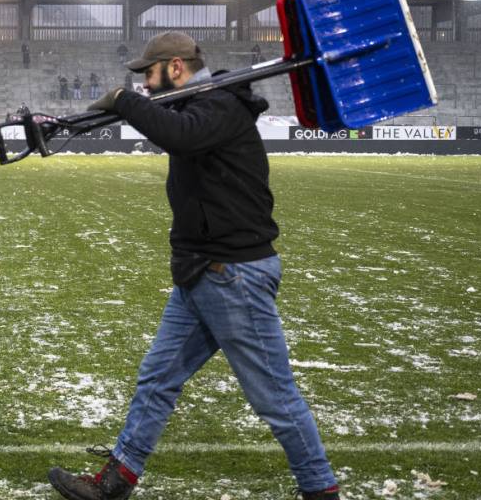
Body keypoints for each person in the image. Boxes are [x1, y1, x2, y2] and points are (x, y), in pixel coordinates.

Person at [48, 31, 340, 500]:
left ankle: (321, 489)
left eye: (149, 74)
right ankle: (118, 479)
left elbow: (178, 136)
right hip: (202, 271)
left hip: (233, 274)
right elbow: (171, 125)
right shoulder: (201, 104)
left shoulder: (219, 106)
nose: (145, 84)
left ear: (176, 67)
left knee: (274, 397)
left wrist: (123, 99)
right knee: (158, 379)